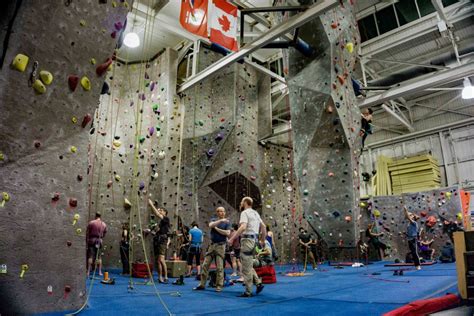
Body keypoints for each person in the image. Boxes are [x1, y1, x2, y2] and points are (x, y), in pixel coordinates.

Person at [228, 197, 265, 297]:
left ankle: (248, 291)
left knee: (245, 267)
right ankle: (258, 283)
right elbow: (263, 226)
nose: (240, 204)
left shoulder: (245, 213)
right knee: (248, 263)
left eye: (241, 202)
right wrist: (262, 240)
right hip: (255, 241)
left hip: (247, 240)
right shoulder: (256, 213)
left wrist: (232, 239)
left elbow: (243, 227)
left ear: (245, 202)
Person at [193, 207, 230, 292]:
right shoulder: (214, 219)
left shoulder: (227, 223)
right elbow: (210, 225)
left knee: (220, 267)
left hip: (221, 246)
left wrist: (217, 229)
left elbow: (227, 233)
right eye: (219, 211)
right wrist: (221, 221)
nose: (221, 213)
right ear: (217, 212)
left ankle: (219, 286)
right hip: (212, 245)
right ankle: (202, 284)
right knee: (205, 265)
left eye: (223, 211)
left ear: (224, 212)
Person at [148, 199, 171, 283]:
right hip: (158, 240)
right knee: (158, 260)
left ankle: (166, 276)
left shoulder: (166, 219)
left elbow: (157, 214)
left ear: (165, 212)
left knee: (161, 259)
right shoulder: (161, 223)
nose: (160, 211)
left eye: (161, 210)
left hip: (162, 241)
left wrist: (151, 205)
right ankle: (160, 276)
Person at [86, 212, 107, 277]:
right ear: (100, 216)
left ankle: (88, 271)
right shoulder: (104, 224)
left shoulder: (91, 222)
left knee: (90, 256)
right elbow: (104, 234)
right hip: (99, 241)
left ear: (95, 216)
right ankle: (100, 271)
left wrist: (87, 240)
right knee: (99, 257)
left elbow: (87, 232)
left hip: (92, 240)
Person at [404, 206, 421, 270]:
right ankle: (415, 264)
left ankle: (418, 265)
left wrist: (405, 210)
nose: (409, 216)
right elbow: (407, 216)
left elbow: (408, 217)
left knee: (415, 252)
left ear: (413, 217)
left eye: (411, 215)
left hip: (413, 239)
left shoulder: (414, 223)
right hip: (409, 239)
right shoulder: (409, 224)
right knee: (412, 252)